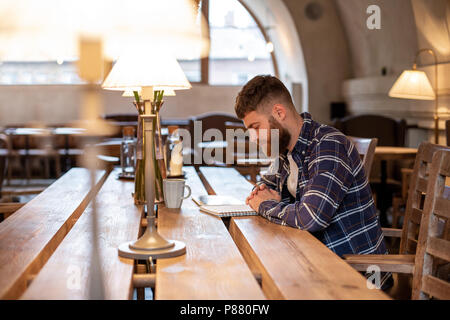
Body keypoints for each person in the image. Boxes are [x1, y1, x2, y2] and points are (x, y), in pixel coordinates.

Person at [235, 75, 392, 290]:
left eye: (255, 127)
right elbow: (262, 189)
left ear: (279, 113)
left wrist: (266, 205)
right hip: (313, 259)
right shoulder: (285, 148)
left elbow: (312, 217)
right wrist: (263, 197)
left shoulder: (328, 145)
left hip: (357, 275)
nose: (253, 138)